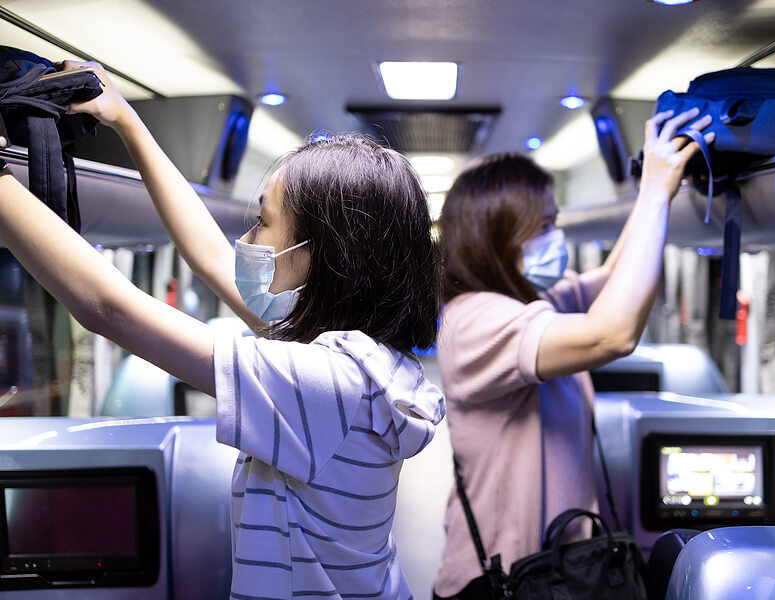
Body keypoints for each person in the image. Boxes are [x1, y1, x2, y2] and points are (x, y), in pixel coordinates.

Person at [0, 60, 445, 600]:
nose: (248, 237)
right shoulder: (364, 361)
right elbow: (210, 257)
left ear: (322, 257)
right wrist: (126, 120)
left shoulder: (322, 383)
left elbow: (107, 307)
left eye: (264, 221)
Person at [432, 108, 713, 598]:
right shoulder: (475, 319)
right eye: (542, 227)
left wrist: (658, 192)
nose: (555, 239)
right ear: (495, 240)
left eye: (555, 222)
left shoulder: (535, 298)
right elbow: (612, 334)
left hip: (555, 571)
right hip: (498, 581)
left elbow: (610, 280)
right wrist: (649, 194)